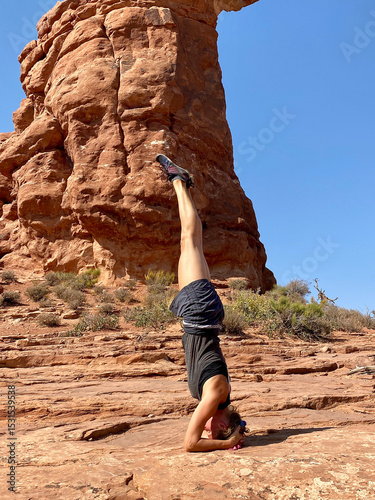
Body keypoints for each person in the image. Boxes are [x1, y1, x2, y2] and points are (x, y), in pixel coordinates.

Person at [155, 154, 248, 452]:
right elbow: (190, 444)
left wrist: (233, 438)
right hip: (200, 312)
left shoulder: (219, 397)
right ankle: (179, 181)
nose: (205, 426)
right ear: (221, 426)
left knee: (191, 242)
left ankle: (182, 184)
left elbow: (199, 438)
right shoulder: (216, 394)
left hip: (202, 314)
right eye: (214, 431)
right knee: (189, 239)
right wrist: (227, 443)